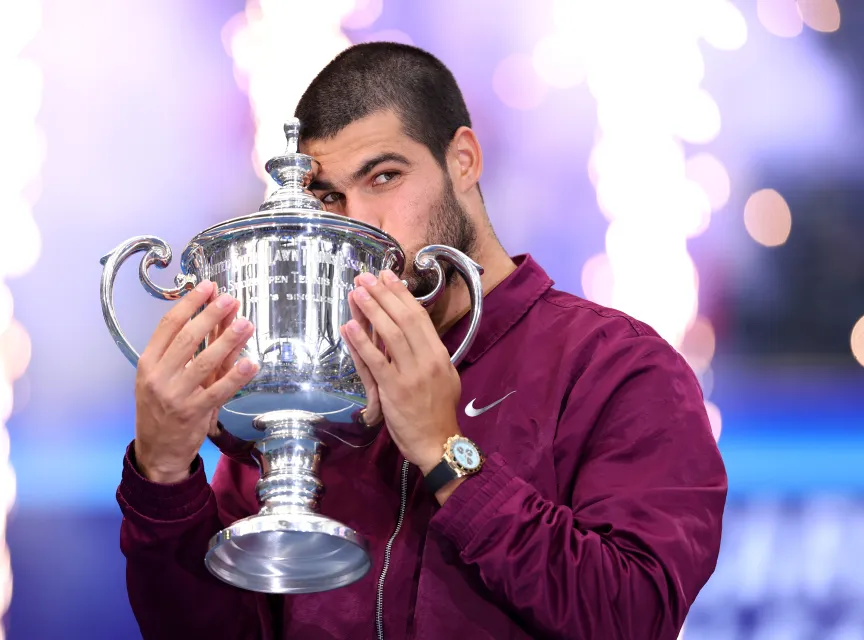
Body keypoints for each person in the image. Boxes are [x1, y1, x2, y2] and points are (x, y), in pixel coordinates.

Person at [116, 42, 727, 640]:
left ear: (463, 160)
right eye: (329, 197)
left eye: (384, 177)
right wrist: (164, 478)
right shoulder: (309, 386)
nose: (358, 221)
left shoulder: (618, 367)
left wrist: (446, 453)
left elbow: (634, 615)